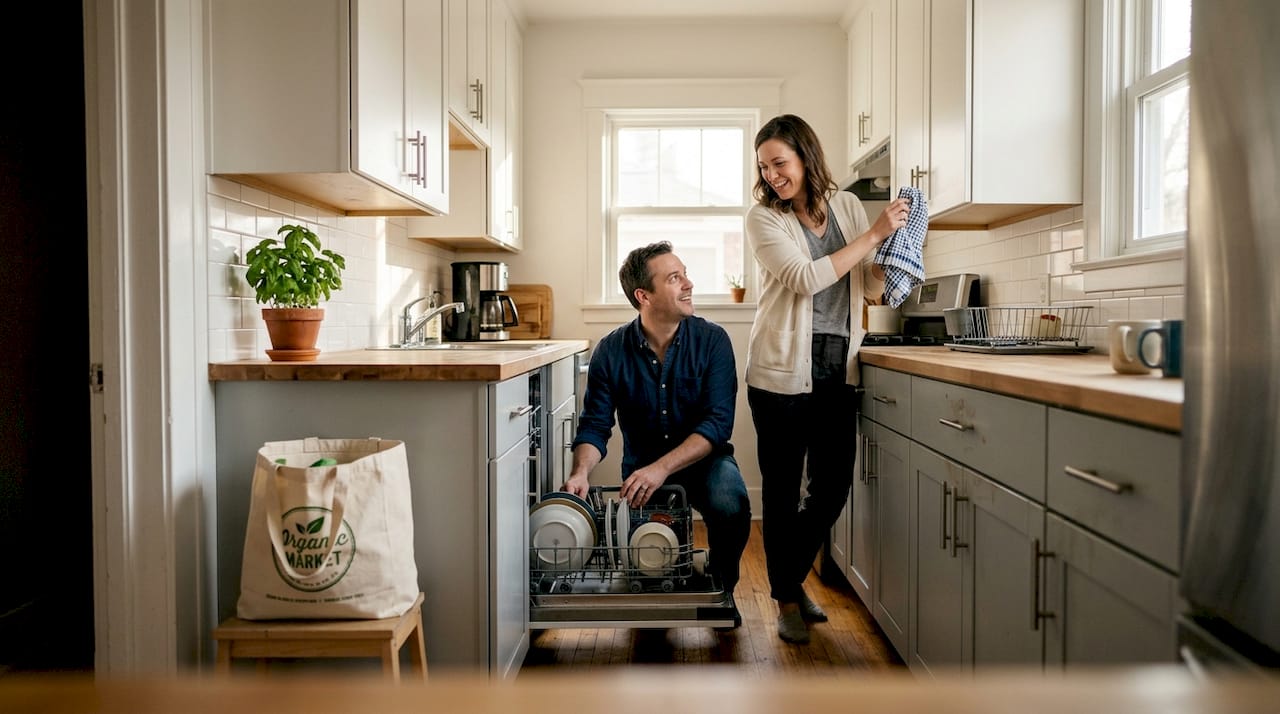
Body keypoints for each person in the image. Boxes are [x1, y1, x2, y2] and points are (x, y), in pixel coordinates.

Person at [744, 113, 911, 644]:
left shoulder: (845, 206)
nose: (772, 175)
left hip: (837, 361)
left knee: (833, 483)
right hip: (780, 369)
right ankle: (787, 596)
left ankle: (789, 580)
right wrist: (876, 233)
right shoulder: (763, 219)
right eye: (765, 166)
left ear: (805, 157)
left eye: (780, 162)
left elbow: (861, 285)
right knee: (781, 488)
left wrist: (891, 259)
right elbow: (806, 277)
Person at [563, 241, 752, 629]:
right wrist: (580, 473)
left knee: (731, 504)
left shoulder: (713, 341)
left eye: (684, 274)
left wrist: (661, 469)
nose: (689, 284)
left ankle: (722, 587)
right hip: (643, 474)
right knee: (651, 572)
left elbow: (717, 425)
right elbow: (596, 425)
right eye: (675, 278)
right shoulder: (610, 352)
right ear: (643, 296)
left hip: (705, 463)